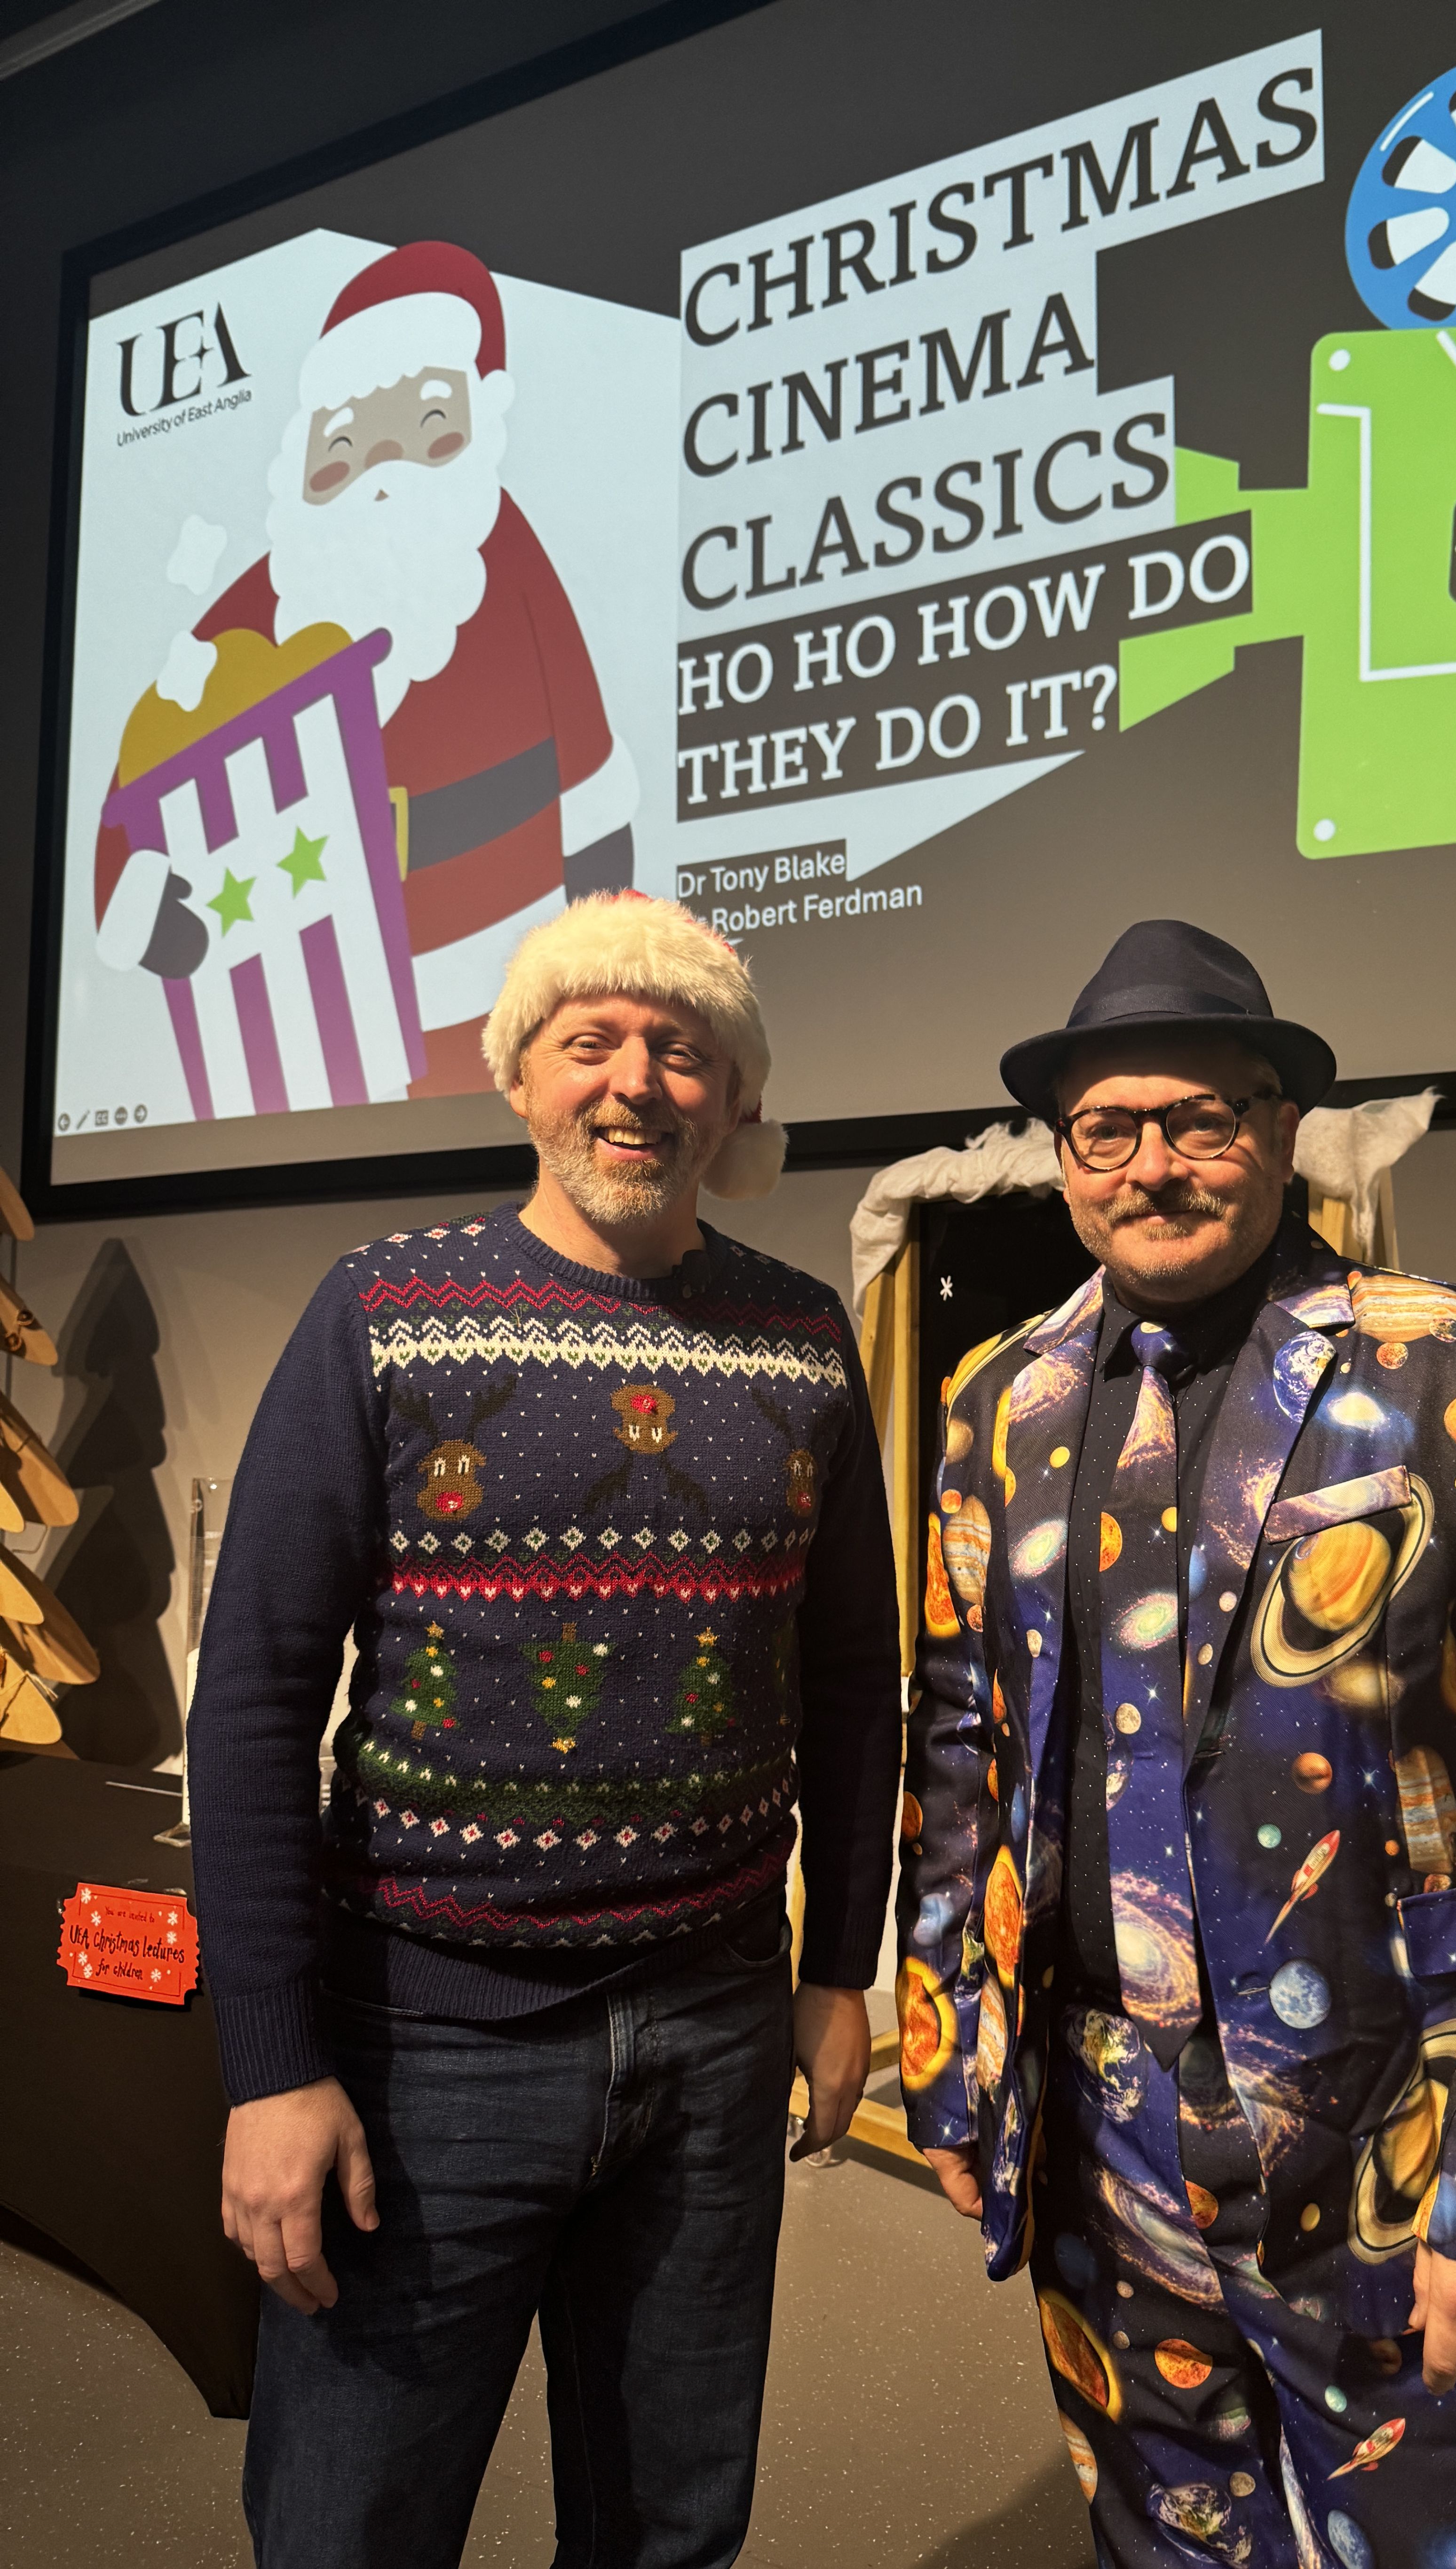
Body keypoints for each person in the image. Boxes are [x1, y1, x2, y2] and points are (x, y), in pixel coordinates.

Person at [895, 919, 1456, 2565]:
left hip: (1400, 2127)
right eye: (1110, 1128)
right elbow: (958, 1744)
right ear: (1063, 1155)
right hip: (1103, 2142)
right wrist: (955, 2063)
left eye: (1201, 1119)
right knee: (1166, 2543)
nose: (1154, 1164)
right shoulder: (992, 1405)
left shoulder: (1450, 1361)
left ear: (1280, 1128)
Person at [191, 891, 901, 2569]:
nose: (636, 1081)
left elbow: (855, 1681)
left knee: (668, 2528)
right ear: (520, 1074)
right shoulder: (381, 1310)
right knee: (346, 2528)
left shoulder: (803, 1337)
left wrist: (836, 1970)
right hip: (423, 2043)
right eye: (592, 1040)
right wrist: (271, 2060)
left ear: (733, 1104)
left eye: (683, 1049)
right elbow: (254, 1705)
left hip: (716, 2036)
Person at [94, 240, 638, 1094]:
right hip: (318, 1014)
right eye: (347, 443)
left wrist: (606, 952)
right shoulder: (266, 596)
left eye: (422, 428)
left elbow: (589, 759)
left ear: (474, 419)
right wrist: (139, 896)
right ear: (306, 460)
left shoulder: (505, 551)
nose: (380, 470)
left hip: (511, 996)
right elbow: (149, 760)